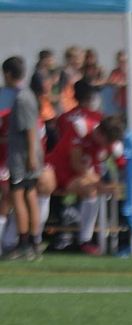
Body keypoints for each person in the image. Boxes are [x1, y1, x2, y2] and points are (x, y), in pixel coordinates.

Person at [38, 113, 122, 254]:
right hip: (57, 170)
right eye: (106, 142)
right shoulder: (81, 128)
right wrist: (100, 183)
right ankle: (35, 238)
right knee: (44, 186)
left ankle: (85, 240)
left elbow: (122, 163)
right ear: (101, 134)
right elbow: (76, 164)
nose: (107, 146)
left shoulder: (113, 144)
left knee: (91, 191)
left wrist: (116, 185)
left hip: (76, 177)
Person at [3, 56, 43, 262]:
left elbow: (29, 130)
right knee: (30, 196)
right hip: (28, 155)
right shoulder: (27, 95)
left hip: (22, 158)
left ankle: (25, 243)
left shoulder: (22, 98)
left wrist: (30, 156)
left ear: (8, 74)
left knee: (20, 197)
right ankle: (34, 242)